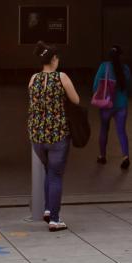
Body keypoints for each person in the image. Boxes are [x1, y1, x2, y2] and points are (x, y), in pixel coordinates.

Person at [28, 43, 79, 232]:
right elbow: (76, 99)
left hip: (37, 135)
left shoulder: (34, 79)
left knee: (49, 170)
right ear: (54, 59)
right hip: (57, 134)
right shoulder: (61, 77)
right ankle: (55, 219)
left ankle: (48, 209)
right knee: (56, 175)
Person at [92, 45, 131, 169]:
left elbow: (96, 85)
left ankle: (102, 156)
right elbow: (129, 86)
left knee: (104, 129)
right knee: (121, 131)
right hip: (121, 105)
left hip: (106, 104)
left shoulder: (104, 66)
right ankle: (125, 156)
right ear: (121, 56)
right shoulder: (125, 68)